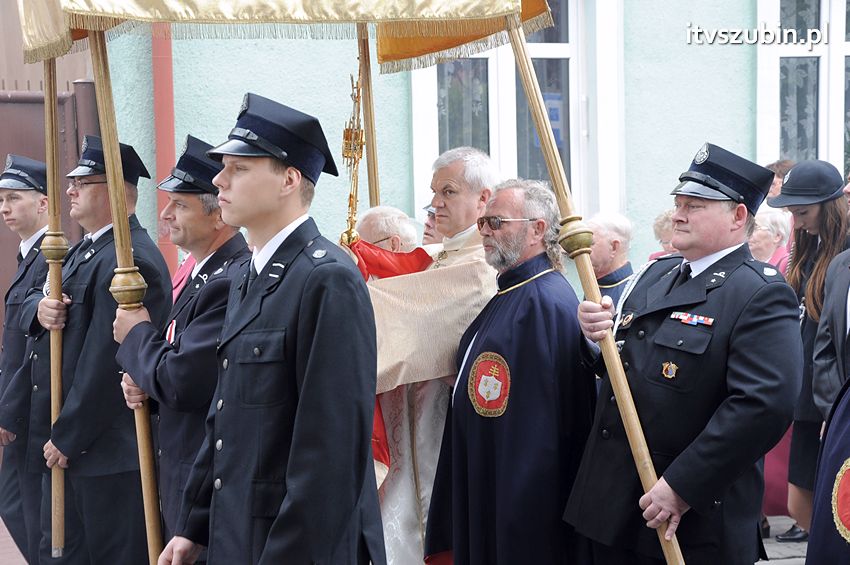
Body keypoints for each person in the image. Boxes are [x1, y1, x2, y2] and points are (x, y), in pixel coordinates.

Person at [159, 93, 385, 565]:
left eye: (239, 168)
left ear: (288, 179)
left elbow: (330, 457)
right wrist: (193, 525)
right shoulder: (247, 275)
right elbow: (225, 417)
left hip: (293, 544)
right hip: (238, 532)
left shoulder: (328, 280)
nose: (219, 179)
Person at [565, 142, 802, 564]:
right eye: (678, 202)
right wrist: (594, 337)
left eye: (695, 205)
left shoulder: (759, 293)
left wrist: (683, 486)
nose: (678, 213)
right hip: (612, 501)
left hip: (685, 515)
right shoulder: (656, 275)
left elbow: (763, 405)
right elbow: (626, 369)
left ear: (738, 216)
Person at [425, 179, 595, 564]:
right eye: (483, 223)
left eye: (497, 222)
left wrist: (516, 504)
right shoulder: (510, 291)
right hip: (489, 474)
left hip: (519, 497)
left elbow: (542, 426)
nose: (485, 232)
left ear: (537, 229)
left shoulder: (544, 301)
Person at [21, 135, 171, 563]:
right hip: (74, 445)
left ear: (113, 190)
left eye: (81, 182)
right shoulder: (85, 252)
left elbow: (109, 360)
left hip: (106, 450)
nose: (69, 189)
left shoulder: (129, 257)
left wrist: (70, 434)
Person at [111, 135, 250, 543]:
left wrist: (136, 337)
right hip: (180, 470)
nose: (166, 214)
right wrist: (144, 385)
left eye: (181, 205)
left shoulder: (228, 280)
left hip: (204, 480)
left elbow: (186, 378)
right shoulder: (200, 272)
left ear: (218, 216)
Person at [368, 147, 499, 564]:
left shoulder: (480, 265)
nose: (435, 203)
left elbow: (412, 322)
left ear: (483, 199)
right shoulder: (436, 256)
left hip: (442, 421)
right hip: (407, 414)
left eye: (448, 191)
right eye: (433, 192)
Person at [766, 160, 850, 543]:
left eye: (802, 212)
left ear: (830, 206)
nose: (795, 223)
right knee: (803, 509)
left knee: (827, 511)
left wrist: (832, 409)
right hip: (805, 397)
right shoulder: (809, 251)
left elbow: (835, 343)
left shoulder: (844, 258)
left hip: (829, 402)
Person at [0, 155, 49, 563]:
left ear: (44, 204)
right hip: (21, 411)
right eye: (2, 199)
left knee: (36, 519)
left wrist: (9, 410)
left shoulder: (52, 258)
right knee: (16, 506)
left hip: (34, 414)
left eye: (14, 198)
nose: (4, 208)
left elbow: (35, 350)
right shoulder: (27, 255)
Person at [587, 211, 634, 305]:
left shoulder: (633, 292)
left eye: (590, 244)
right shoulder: (594, 284)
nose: (584, 250)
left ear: (613, 247)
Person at [749, 206, 791, 275]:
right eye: (749, 227)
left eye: (755, 227)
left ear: (777, 236)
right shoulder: (749, 261)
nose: (749, 232)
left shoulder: (787, 264)